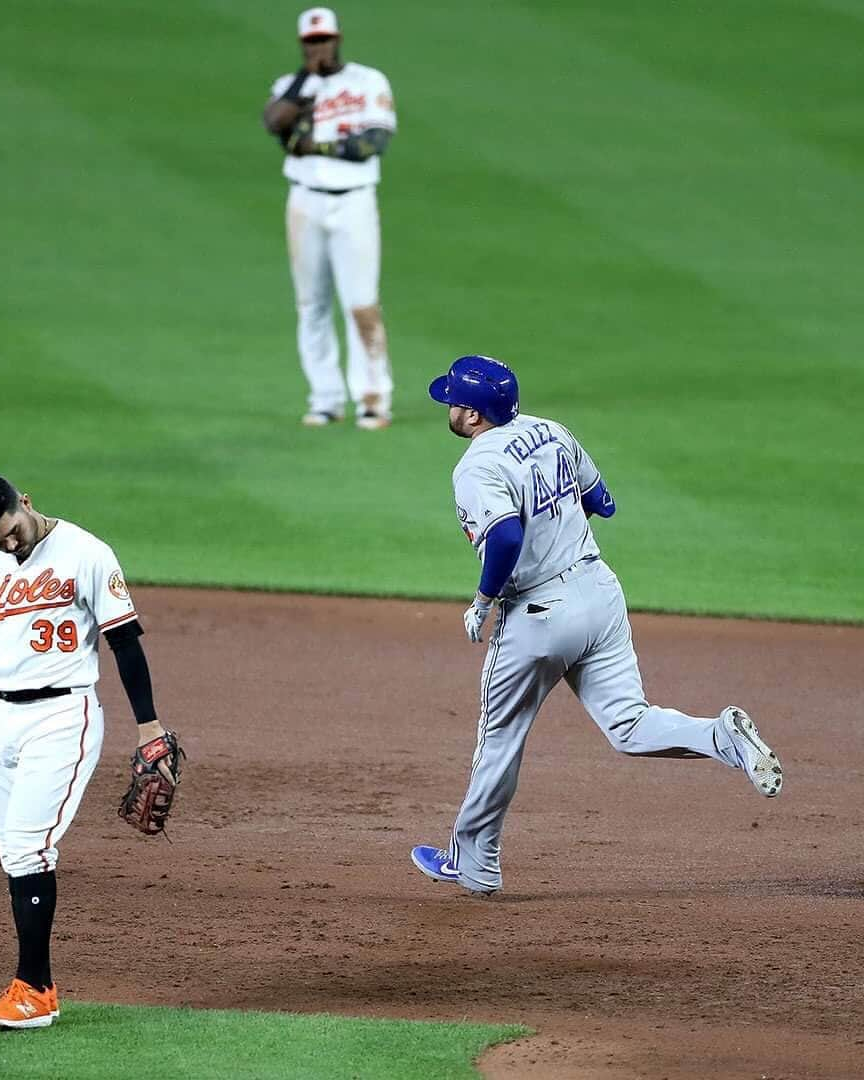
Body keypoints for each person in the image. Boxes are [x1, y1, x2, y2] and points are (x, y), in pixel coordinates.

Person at [410, 356, 784, 895]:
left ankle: (475, 864)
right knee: (630, 724)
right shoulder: (551, 431)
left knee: (500, 740)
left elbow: (508, 537)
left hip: (539, 618)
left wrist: (484, 598)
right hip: (599, 593)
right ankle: (720, 736)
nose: (447, 406)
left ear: (471, 415)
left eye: (452, 400)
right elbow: (601, 500)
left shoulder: (476, 465)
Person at [0, 475, 182, 1028]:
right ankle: (32, 987)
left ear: (27, 503)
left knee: (25, 848)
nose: (8, 544)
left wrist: (148, 726)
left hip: (63, 716)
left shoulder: (85, 552)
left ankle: (35, 992)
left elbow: (125, 641)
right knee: (11, 844)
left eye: (11, 530)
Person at [262, 7, 397, 430]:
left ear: (338, 38)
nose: (320, 46)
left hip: (354, 202)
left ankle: (373, 398)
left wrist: (315, 147)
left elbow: (372, 143)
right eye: (312, 41)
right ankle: (325, 397)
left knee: (361, 303)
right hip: (305, 202)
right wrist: (306, 79)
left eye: (325, 39)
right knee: (311, 304)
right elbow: (274, 124)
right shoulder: (290, 86)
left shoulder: (368, 80)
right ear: (303, 44)